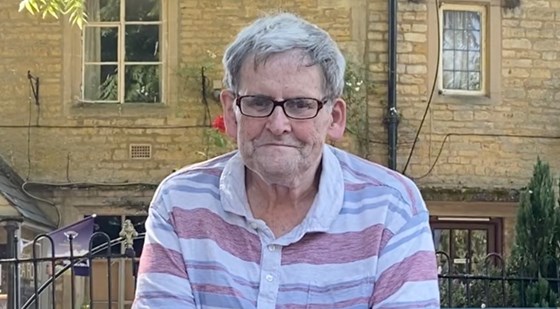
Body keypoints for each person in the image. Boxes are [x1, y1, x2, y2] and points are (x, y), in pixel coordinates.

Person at [133, 12, 440, 309]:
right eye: (258, 102)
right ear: (231, 113)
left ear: (334, 118)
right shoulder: (181, 203)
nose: (278, 124)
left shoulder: (392, 208)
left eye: (300, 105)